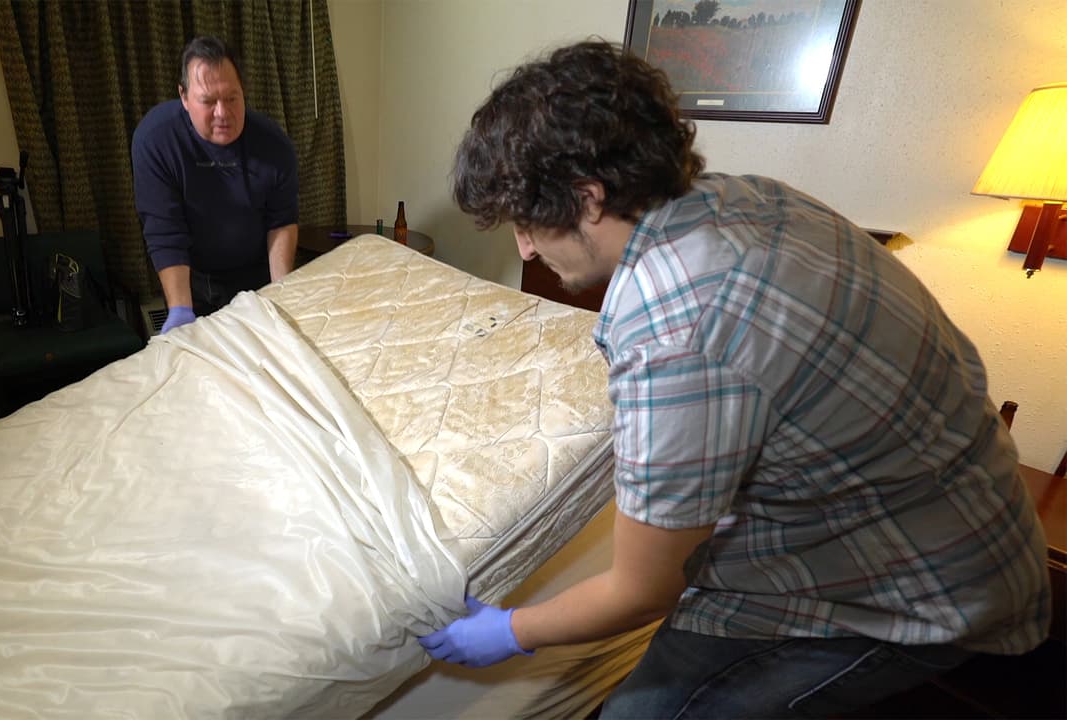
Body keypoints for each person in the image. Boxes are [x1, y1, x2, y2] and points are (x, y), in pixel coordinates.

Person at [418, 41, 1050, 719]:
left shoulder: (671, 330)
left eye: (526, 222)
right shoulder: (749, 197)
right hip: (967, 501)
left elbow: (641, 590)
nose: (524, 247)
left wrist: (510, 631)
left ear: (588, 199)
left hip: (928, 589)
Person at [132, 36, 299, 334]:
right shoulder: (156, 140)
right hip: (192, 276)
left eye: (232, 98)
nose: (222, 113)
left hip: (255, 272)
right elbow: (165, 232)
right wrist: (180, 309)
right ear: (184, 97)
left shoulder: (274, 145)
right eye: (208, 101)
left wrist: (281, 292)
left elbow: (281, 222)